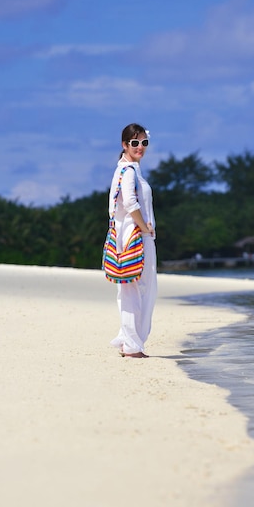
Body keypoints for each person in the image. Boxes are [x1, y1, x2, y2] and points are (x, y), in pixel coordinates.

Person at [108, 123, 157, 359]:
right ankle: (131, 344)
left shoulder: (130, 170)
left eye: (144, 143)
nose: (140, 147)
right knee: (138, 289)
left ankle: (129, 340)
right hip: (135, 237)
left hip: (132, 236)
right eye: (134, 143)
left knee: (135, 288)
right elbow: (130, 203)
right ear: (124, 145)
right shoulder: (127, 171)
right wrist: (144, 226)